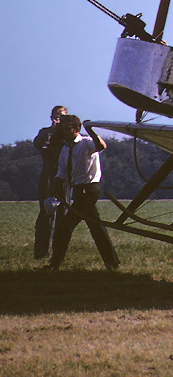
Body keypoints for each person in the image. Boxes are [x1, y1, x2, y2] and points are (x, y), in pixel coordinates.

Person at [46, 115, 120, 271]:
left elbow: (101, 146)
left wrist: (91, 131)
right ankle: (112, 263)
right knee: (96, 227)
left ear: (77, 130)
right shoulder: (65, 148)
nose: (64, 132)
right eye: (62, 129)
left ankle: (55, 264)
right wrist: (54, 187)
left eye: (67, 129)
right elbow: (61, 172)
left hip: (90, 189)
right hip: (79, 190)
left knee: (66, 226)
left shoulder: (86, 143)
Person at [32, 105, 67, 259]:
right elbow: (38, 144)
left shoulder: (68, 135)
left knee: (63, 215)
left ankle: (58, 253)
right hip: (48, 176)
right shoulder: (45, 132)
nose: (58, 119)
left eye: (62, 116)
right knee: (45, 213)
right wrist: (52, 130)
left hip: (64, 177)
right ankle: (41, 252)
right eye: (56, 116)